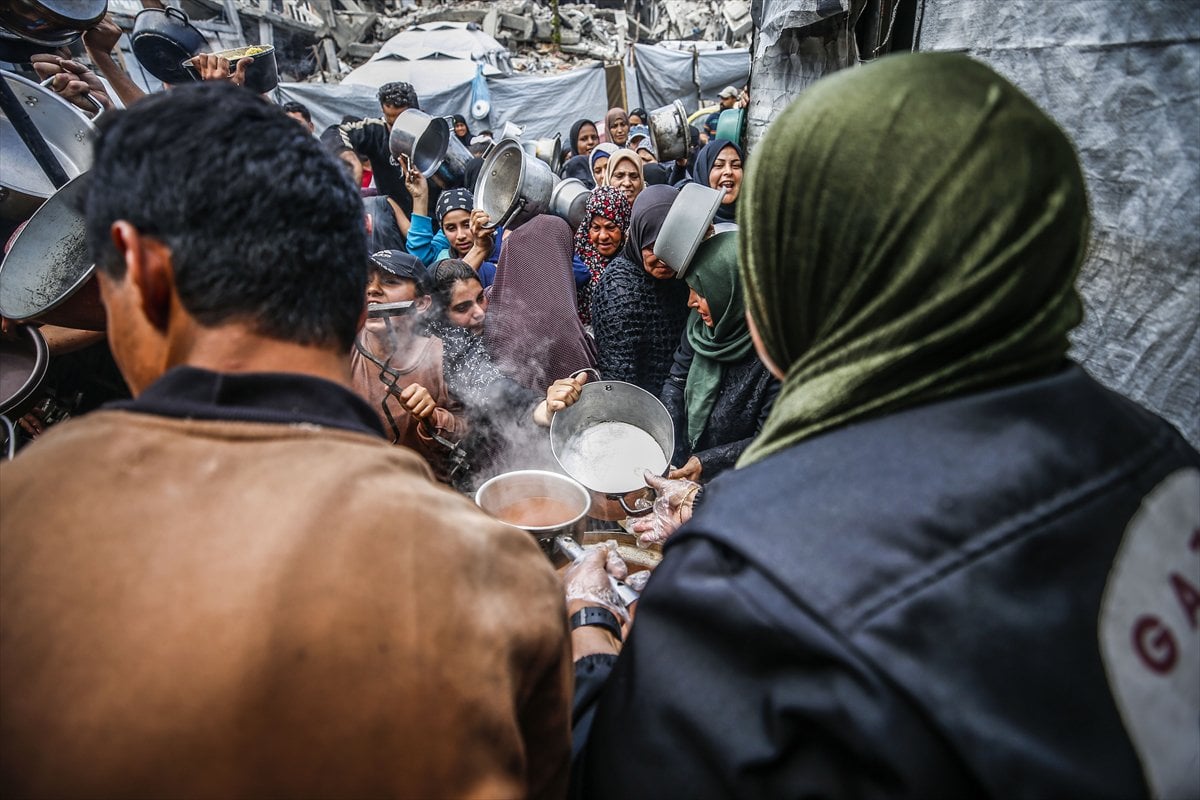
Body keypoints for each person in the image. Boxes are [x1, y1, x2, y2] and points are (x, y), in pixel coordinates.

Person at [567, 52, 1200, 798]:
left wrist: (590, 625)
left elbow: (621, 774)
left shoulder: (751, 574)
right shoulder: (1168, 462)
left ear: (806, 274)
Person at [0, 82, 572, 799]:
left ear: (138, 276)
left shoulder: (19, 519)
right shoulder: (495, 575)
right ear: (354, 296)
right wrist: (590, 625)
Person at [660, 232, 778, 483]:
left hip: (737, 479)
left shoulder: (775, 354)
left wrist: (707, 462)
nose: (691, 302)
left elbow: (769, 438)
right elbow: (677, 380)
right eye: (690, 290)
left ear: (730, 291)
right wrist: (671, 444)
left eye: (701, 292)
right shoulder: (700, 326)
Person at [350, 250, 469, 483]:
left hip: (423, 486)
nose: (372, 290)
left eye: (390, 281)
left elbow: (469, 433)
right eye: (366, 282)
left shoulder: (443, 355)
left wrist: (432, 417)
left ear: (422, 303)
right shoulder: (343, 349)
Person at [591, 185, 690, 394]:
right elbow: (620, 381)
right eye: (653, 247)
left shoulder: (684, 275)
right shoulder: (618, 290)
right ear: (637, 236)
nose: (664, 258)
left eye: (673, 245)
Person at [483, 216, 596, 394]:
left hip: (505, 406)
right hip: (556, 407)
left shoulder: (492, 302)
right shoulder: (561, 318)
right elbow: (587, 385)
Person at [338, 81, 421, 214]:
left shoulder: (434, 133)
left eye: (401, 122)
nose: (394, 130)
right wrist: (348, 156)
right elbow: (336, 132)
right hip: (392, 217)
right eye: (390, 123)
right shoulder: (377, 131)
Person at [405, 176, 499, 286]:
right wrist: (419, 197)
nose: (461, 236)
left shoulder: (502, 242)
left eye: (467, 225)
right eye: (451, 228)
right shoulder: (443, 260)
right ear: (443, 232)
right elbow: (420, 252)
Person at [571, 186, 632, 326]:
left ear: (623, 226)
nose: (603, 236)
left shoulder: (635, 262)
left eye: (610, 227)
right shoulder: (576, 259)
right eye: (596, 228)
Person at [692, 138, 744, 225]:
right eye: (719, 165)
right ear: (703, 172)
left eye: (736, 165)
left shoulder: (759, 217)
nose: (728, 171)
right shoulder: (689, 218)